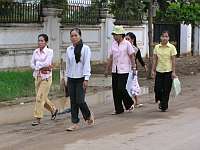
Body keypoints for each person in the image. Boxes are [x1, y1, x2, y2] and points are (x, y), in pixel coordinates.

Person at [65, 28, 94, 131]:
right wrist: (66, 78)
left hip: (81, 78)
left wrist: (86, 78)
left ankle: (88, 116)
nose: (73, 38)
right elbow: (68, 65)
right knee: (73, 101)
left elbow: (87, 64)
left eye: (75, 35)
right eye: (72, 36)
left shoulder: (85, 48)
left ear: (80, 36)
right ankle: (74, 123)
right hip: (71, 78)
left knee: (80, 101)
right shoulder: (69, 49)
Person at [105, 25, 137, 115]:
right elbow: (111, 57)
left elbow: (132, 56)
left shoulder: (127, 44)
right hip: (115, 69)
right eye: (114, 35)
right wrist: (107, 69)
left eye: (116, 34)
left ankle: (129, 102)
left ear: (121, 35)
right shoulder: (113, 44)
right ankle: (118, 109)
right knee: (115, 90)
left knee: (121, 88)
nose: (114, 36)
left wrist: (134, 68)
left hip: (124, 69)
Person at [31, 34, 58, 126]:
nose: (40, 42)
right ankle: (53, 109)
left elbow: (47, 63)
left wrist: (38, 65)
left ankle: (37, 118)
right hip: (37, 77)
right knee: (42, 97)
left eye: (42, 41)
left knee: (39, 98)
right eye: (39, 40)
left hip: (46, 78)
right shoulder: (35, 52)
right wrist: (40, 66)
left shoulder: (50, 51)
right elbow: (32, 64)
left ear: (46, 42)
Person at [151, 31, 177, 112]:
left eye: (166, 36)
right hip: (159, 71)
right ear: (160, 37)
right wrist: (153, 70)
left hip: (168, 71)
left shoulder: (171, 47)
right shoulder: (157, 47)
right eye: (163, 36)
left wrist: (173, 72)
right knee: (157, 89)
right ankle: (160, 100)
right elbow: (155, 60)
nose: (165, 38)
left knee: (166, 90)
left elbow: (173, 61)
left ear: (168, 38)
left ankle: (163, 105)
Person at [125, 32, 147, 108]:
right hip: (125, 69)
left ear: (132, 40)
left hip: (133, 70)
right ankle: (131, 102)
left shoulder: (135, 49)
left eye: (128, 39)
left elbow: (140, 59)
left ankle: (136, 102)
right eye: (126, 39)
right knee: (127, 86)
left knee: (134, 86)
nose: (126, 40)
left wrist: (144, 66)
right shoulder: (123, 48)